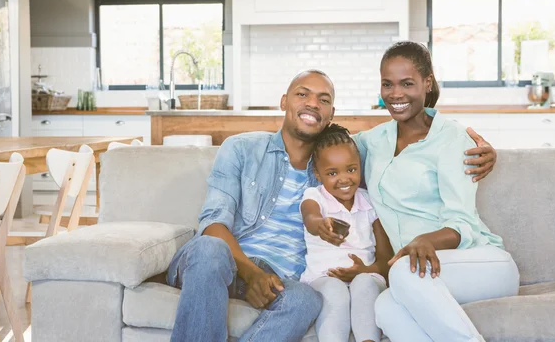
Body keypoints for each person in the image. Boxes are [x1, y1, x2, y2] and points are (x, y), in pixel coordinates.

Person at [165, 68, 497, 342]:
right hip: (223, 262)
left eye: (324, 100)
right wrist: (251, 274)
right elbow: (213, 222)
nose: (313, 103)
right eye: (303, 94)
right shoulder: (240, 148)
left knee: (305, 300)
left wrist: (472, 148)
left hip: (281, 277)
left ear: (331, 115)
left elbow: (408, 141)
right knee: (209, 248)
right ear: (284, 101)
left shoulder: (338, 165)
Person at [353, 41, 520, 342]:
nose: (395, 94)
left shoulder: (452, 139)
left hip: (479, 262)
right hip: (419, 272)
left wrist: (424, 240)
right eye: (387, 84)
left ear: (426, 82)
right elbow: (328, 147)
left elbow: (463, 222)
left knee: (401, 273)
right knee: (386, 306)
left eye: (407, 83)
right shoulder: (373, 140)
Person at [300, 124, 393, 342]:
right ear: (317, 173)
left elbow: (386, 259)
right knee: (334, 290)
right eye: (332, 173)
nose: (344, 179)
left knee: (365, 284)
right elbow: (310, 217)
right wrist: (321, 225)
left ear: (360, 167)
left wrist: (365, 270)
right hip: (323, 277)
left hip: (366, 274)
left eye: (351, 170)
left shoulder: (369, 202)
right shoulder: (315, 196)